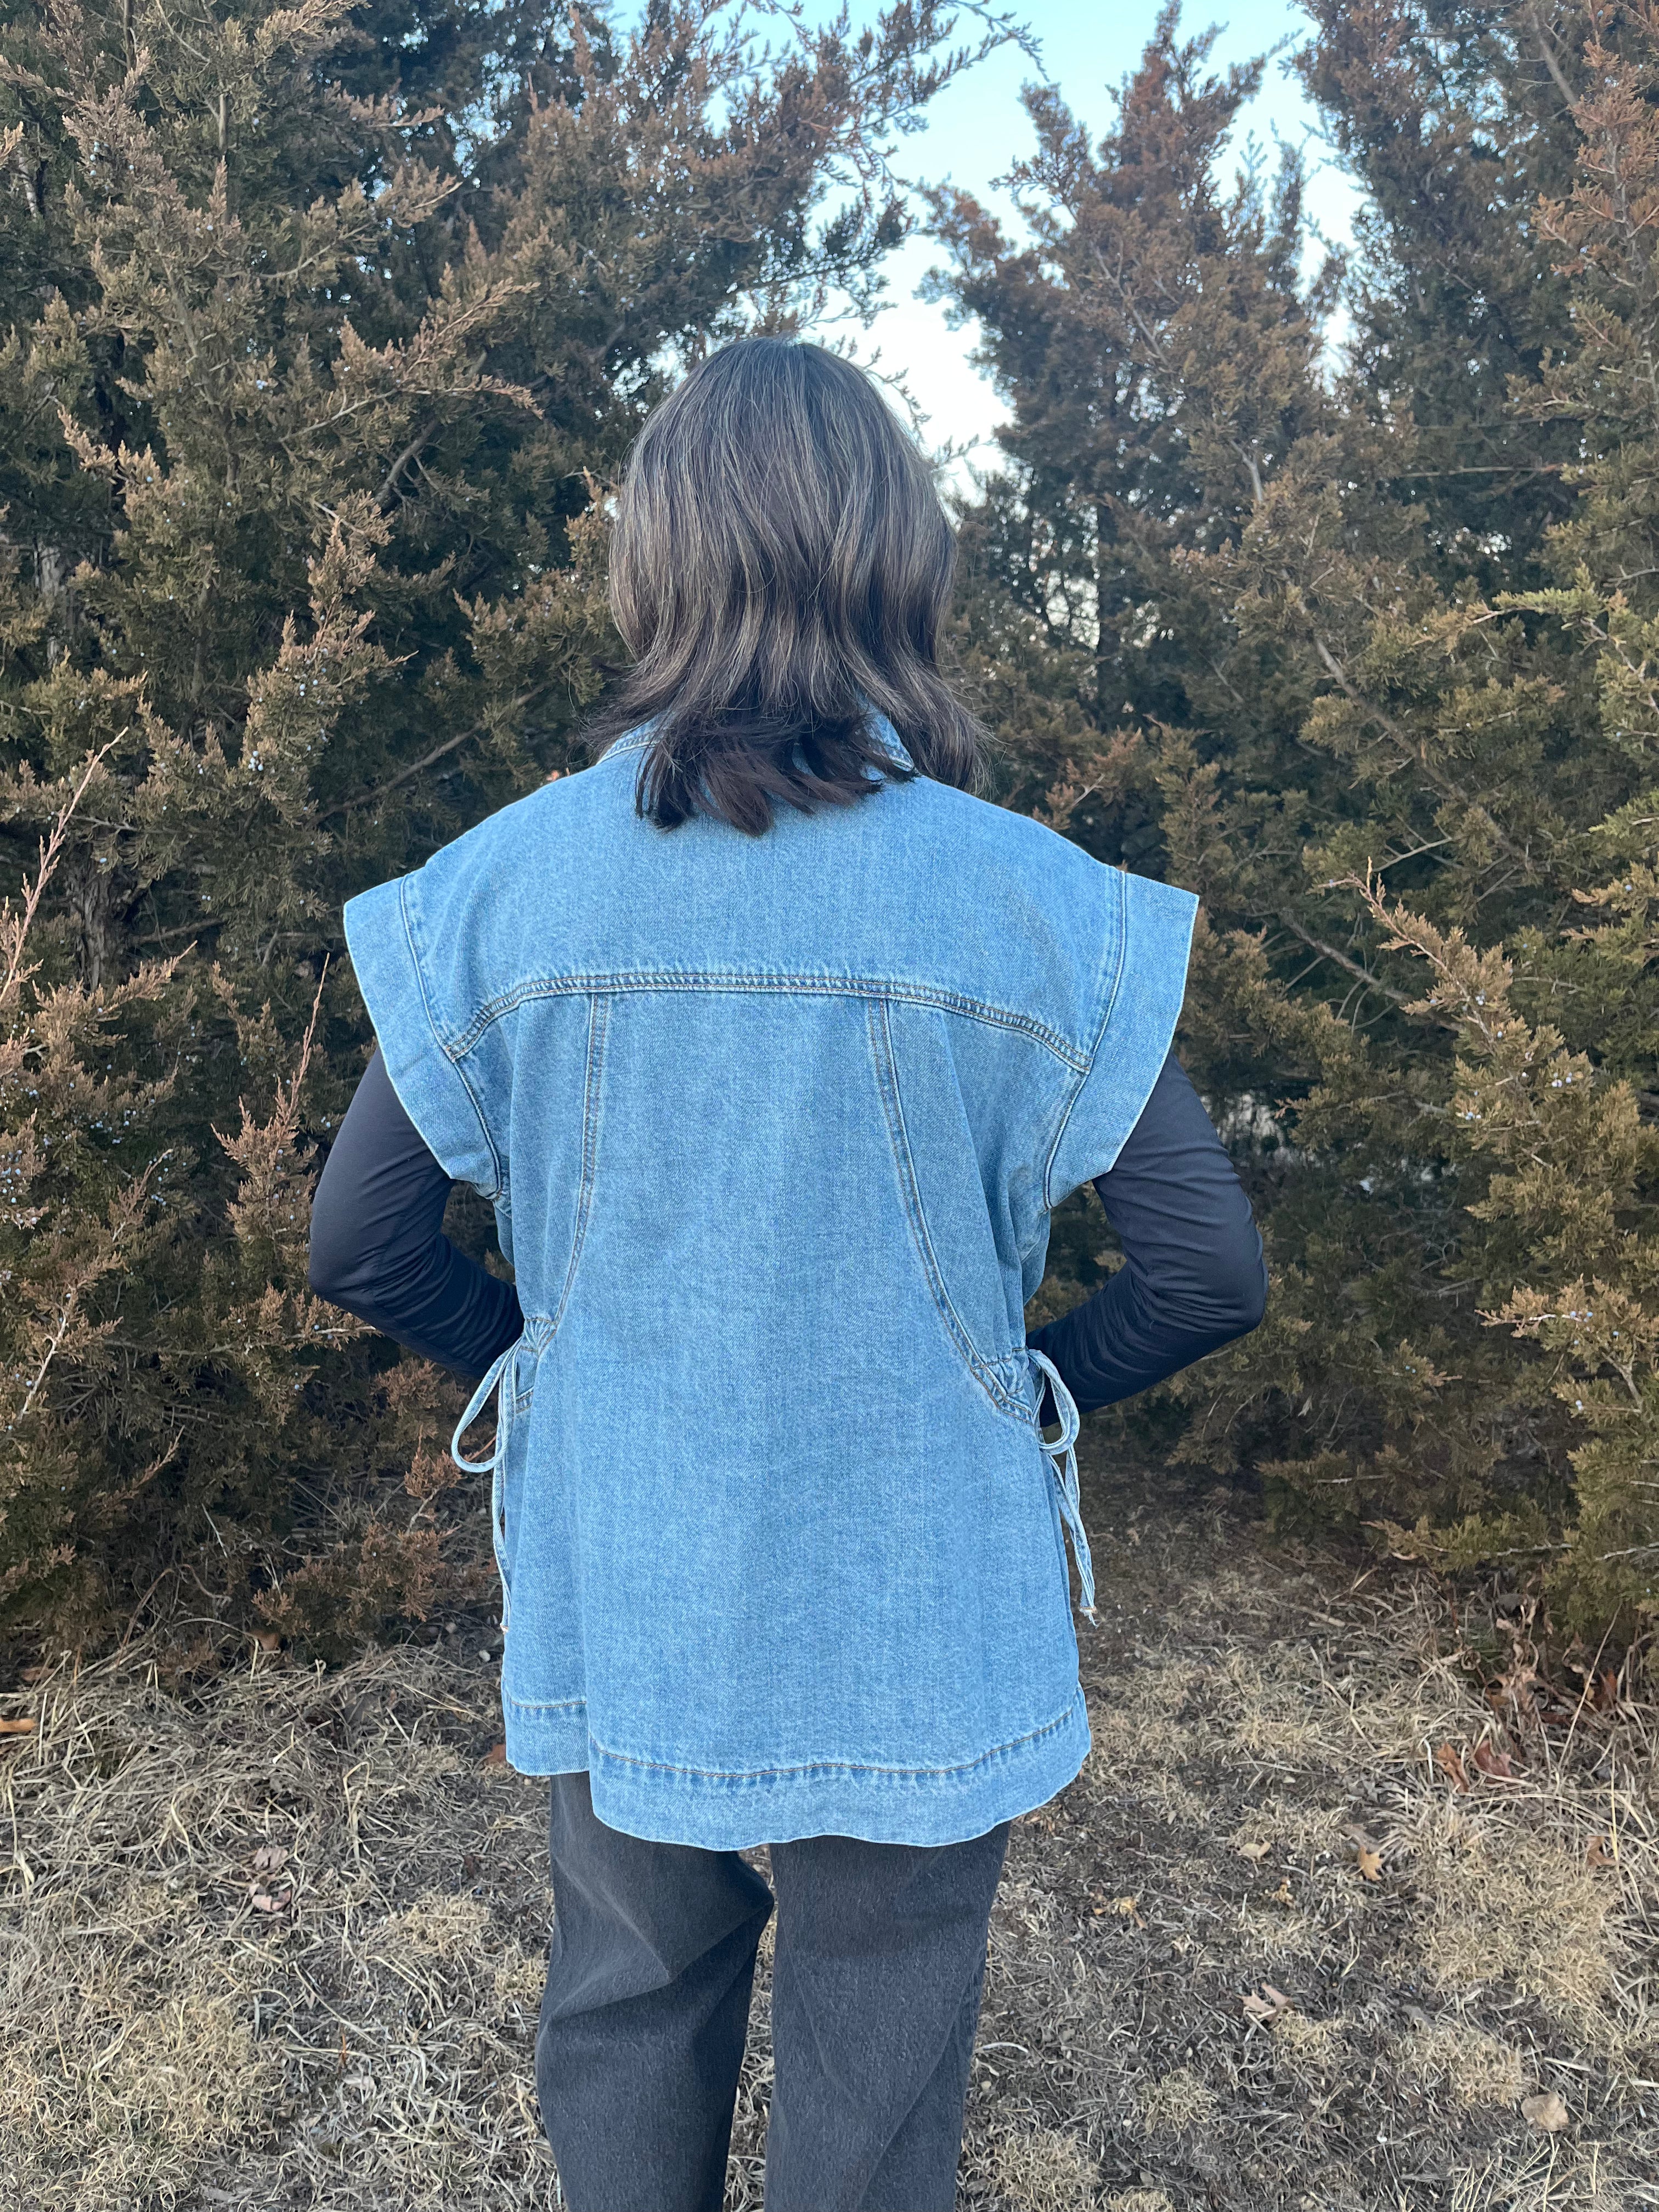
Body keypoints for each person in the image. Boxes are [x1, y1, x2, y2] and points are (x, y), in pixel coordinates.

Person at [308, 337, 1266, 2212]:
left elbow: (359, 1240)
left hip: (628, 1574)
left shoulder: (502, 888)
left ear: (655, 565)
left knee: (630, 1993)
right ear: (900, 561)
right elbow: (1209, 1266)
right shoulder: (1030, 897)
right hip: (922, 1593)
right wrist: (1025, 1386)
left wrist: (551, 1361)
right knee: (882, 2033)